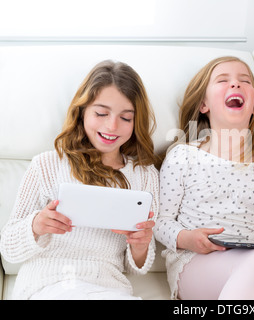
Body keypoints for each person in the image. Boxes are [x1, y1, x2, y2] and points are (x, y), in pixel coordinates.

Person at [0, 60, 159, 300]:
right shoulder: (46, 164)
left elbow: (138, 266)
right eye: (101, 113)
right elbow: (8, 248)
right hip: (48, 285)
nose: (112, 126)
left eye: (126, 118)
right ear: (82, 111)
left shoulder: (145, 176)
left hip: (109, 289)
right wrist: (36, 225)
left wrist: (140, 244)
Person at [154, 56, 254, 300]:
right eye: (223, 80)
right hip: (196, 262)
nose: (235, 85)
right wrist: (188, 239)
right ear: (203, 104)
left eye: (244, 81)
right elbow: (161, 221)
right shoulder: (183, 156)